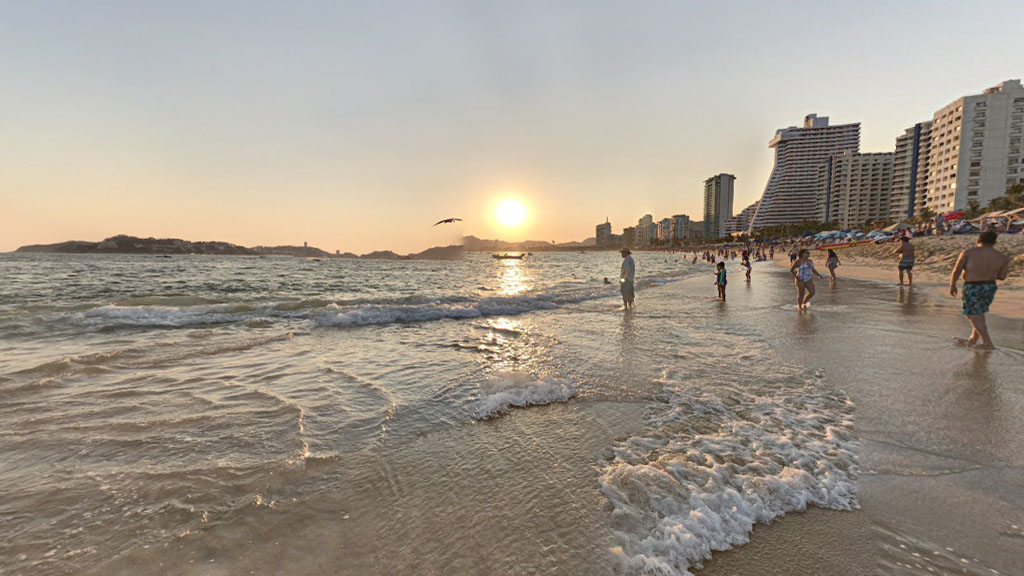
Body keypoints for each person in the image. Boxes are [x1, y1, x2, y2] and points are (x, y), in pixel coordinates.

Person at [949, 231, 1010, 350]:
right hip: (989, 286)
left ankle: (987, 342)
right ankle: (973, 339)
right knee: (979, 312)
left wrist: (952, 285)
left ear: (978, 240)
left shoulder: (968, 253)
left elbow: (956, 270)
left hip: (973, 286)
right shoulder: (1002, 257)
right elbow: (1002, 276)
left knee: (971, 314)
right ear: (994, 242)